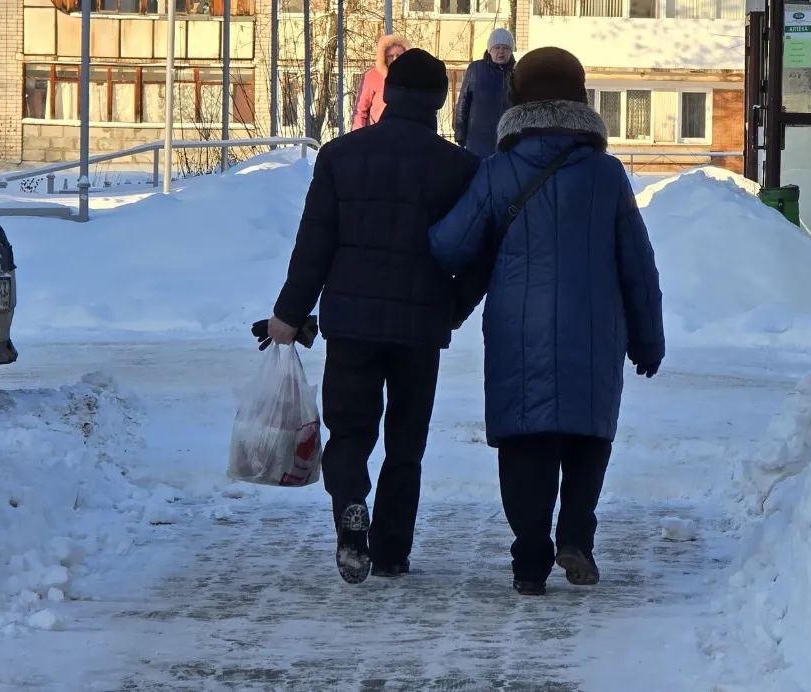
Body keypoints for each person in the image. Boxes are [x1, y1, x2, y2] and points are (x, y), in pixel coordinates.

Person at [428, 46, 665, 596]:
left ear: (517, 101)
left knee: (524, 445)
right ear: (580, 101)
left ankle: (529, 561)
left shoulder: (498, 172)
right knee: (587, 438)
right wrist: (647, 340)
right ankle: (576, 537)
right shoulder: (606, 175)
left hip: (518, 333)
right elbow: (638, 262)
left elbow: (449, 246)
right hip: (595, 332)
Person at [266, 48, 482, 585]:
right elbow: (479, 254)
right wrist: (450, 310)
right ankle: (391, 552)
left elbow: (314, 243)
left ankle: (350, 512)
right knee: (406, 444)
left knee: (351, 432)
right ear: (438, 102)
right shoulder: (459, 167)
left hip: (352, 325)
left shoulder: (341, 156)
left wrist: (289, 313)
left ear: (387, 95)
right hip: (420, 330)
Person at [454, 28, 516, 158]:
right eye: (497, 47)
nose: (500, 52)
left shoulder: (517, 72)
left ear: (511, 51)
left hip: (508, 141)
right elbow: (463, 101)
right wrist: (460, 132)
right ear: (489, 50)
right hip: (478, 140)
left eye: (505, 48)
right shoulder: (476, 69)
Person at [351, 34, 409, 131]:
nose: (395, 59)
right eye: (390, 56)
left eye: (398, 55)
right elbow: (360, 111)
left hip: (404, 135)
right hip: (377, 134)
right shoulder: (372, 76)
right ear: (384, 57)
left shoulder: (411, 77)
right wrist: (358, 138)